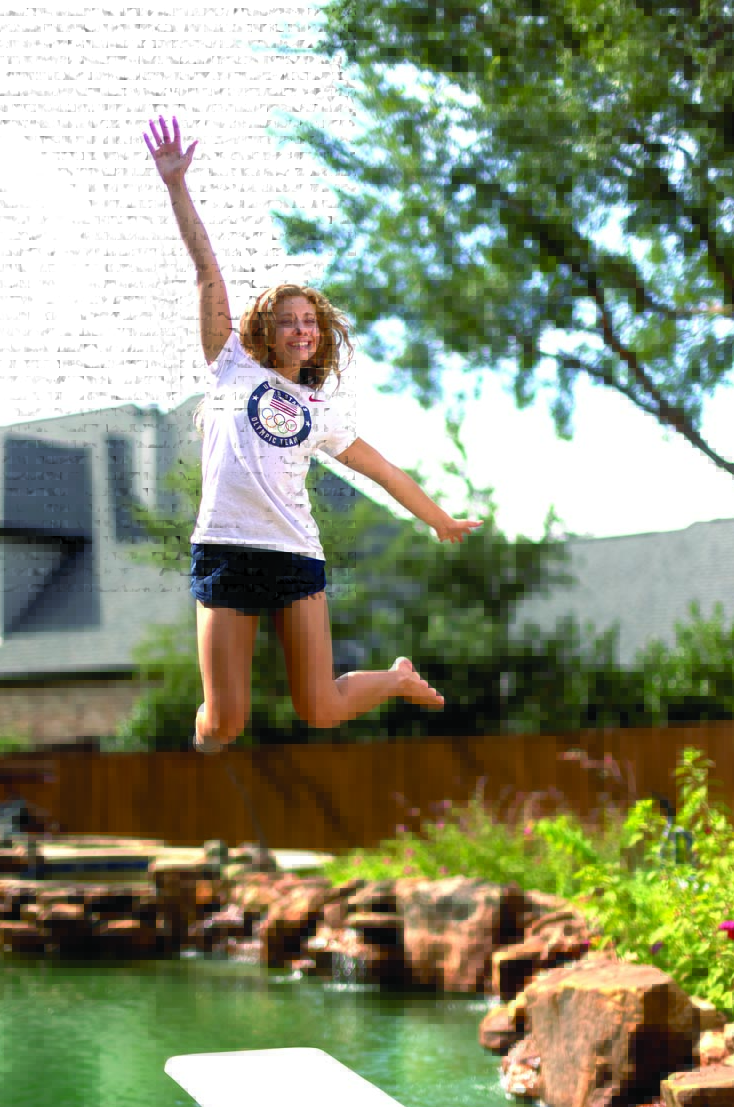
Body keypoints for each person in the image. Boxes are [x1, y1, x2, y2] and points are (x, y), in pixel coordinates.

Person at [144, 115, 483, 752]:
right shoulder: (230, 365)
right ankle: (202, 739)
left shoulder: (321, 409)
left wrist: (438, 520)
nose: (301, 329)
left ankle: (395, 679)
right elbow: (207, 270)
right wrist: (176, 186)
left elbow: (382, 470)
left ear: (319, 335)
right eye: (287, 320)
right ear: (265, 331)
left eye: (309, 321)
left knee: (320, 708)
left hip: (293, 553)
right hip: (224, 549)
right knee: (225, 721)